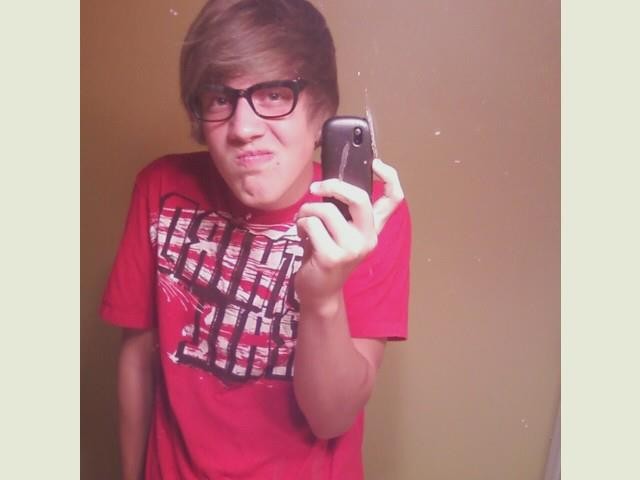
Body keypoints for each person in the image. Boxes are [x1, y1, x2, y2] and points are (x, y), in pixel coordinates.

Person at [100, 0, 411, 478]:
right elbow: (137, 362)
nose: (242, 129)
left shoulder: (365, 216)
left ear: (322, 110)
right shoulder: (160, 188)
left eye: (273, 94)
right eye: (219, 99)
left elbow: (331, 419)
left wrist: (322, 297)